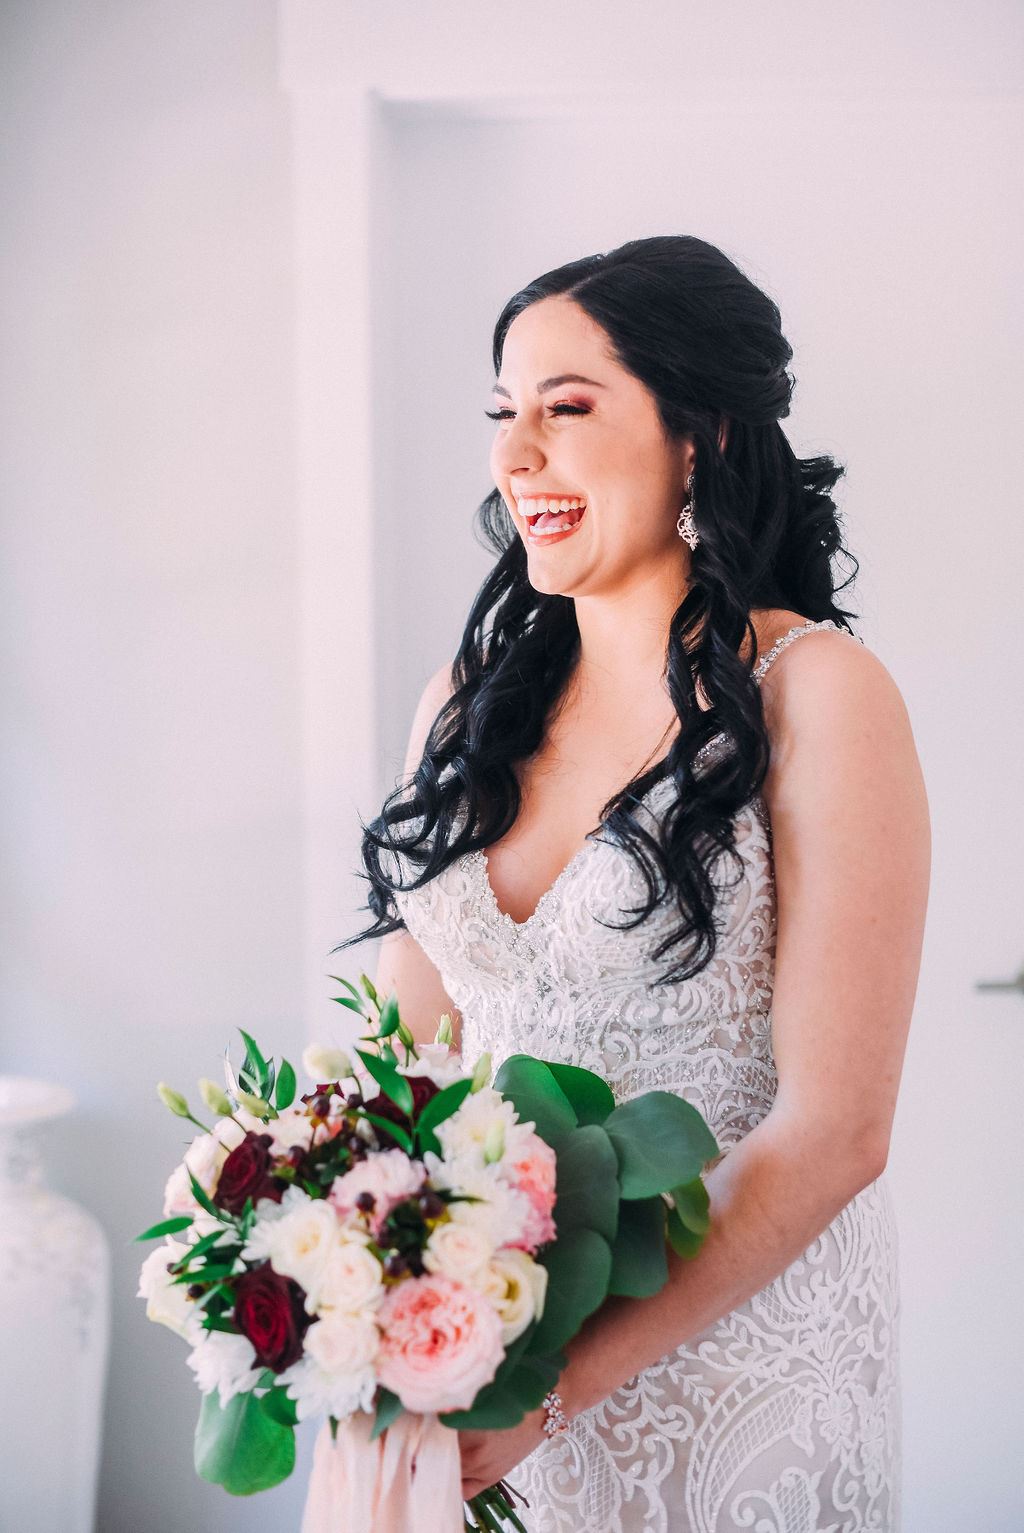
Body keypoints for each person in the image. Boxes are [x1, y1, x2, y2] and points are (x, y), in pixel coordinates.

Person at [339, 235, 930, 1532]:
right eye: (506, 414)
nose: (516, 456)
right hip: (486, 1406)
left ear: (700, 434)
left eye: (567, 407)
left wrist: (554, 1387)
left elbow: (838, 1132)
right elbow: (404, 1063)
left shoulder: (818, 696)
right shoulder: (465, 708)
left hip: (738, 1406)